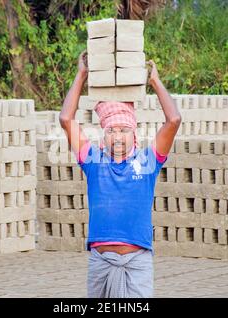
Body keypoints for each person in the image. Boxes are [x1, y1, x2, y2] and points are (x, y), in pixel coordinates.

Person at [59, 50, 181, 298]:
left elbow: (174, 120)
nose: (117, 136)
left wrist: (155, 81)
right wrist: (81, 75)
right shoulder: (93, 161)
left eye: (124, 130)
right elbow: (65, 118)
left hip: (137, 264)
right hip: (100, 264)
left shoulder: (147, 162)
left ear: (133, 134)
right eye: (111, 130)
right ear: (103, 135)